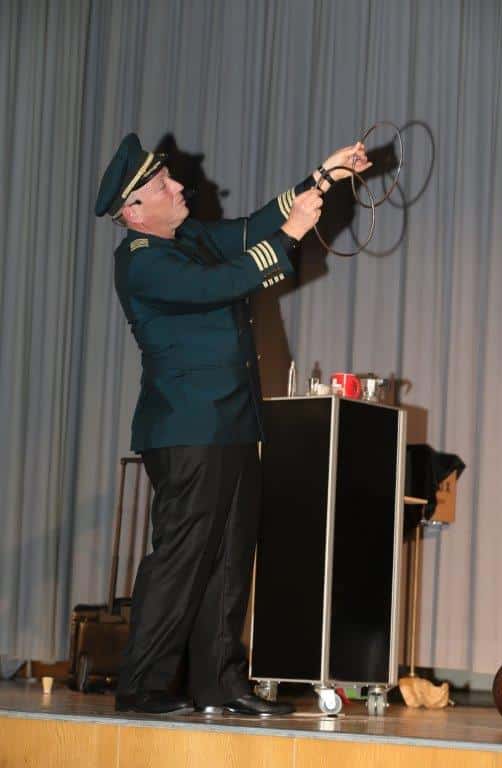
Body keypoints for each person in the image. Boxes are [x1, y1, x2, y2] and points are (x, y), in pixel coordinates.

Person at [95, 133, 370, 716]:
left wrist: (324, 176)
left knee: (229, 557)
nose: (178, 186)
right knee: (182, 558)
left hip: (233, 420)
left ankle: (220, 683)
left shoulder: (188, 238)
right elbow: (219, 284)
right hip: (188, 428)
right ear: (134, 210)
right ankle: (141, 684)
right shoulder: (141, 262)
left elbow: (250, 230)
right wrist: (291, 235)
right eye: (162, 185)